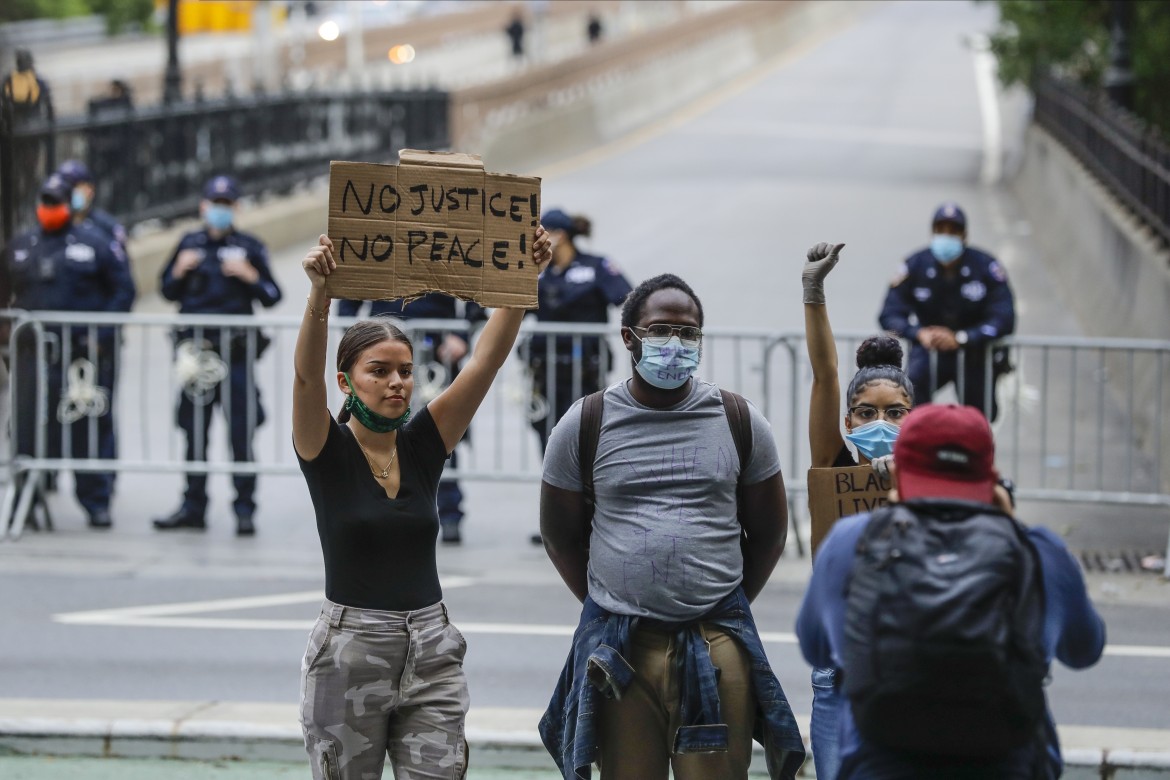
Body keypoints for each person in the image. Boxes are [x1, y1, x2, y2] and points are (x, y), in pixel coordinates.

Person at [293, 227, 551, 780]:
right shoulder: (324, 449)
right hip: (350, 651)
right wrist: (320, 296)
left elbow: (483, 364)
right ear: (347, 381)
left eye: (404, 372)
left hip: (432, 649)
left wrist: (522, 280)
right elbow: (304, 379)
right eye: (379, 371)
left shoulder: (424, 443)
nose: (396, 384)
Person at [538, 274, 805, 780]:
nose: (675, 345)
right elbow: (559, 536)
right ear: (629, 337)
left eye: (688, 333)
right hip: (620, 650)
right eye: (661, 331)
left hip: (716, 643)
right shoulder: (585, 422)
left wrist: (718, 601)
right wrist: (612, 598)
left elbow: (769, 535)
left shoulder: (739, 419)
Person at [796, 404, 1105, 779]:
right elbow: (1084, 650)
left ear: (899, 472)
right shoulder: (1039, 551)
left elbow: (815, 647)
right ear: (992, 474)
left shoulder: (851, 542)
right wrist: (1008, 525)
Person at [801, 242, 916, 779]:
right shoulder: (833, 465)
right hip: (837, 673)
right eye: (866, 413)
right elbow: (825, 374)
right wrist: (814, 293)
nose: (880, 422)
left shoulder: (931, 484)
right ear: (848, 422)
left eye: (895, 413)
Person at [5, 173, 135, 529]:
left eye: (56, 203)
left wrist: (101, 334)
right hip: (34, 354)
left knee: (86, 428)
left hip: (81, 355)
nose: (50, 209)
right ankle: (26, 497)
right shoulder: (22, 244)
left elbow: (123, 290)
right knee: (29, 426)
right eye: (45, 203)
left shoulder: (94, 242)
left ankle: (95, 500)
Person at [154, 175, 282, 536]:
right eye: (215, 204)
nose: (220, 211)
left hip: (236, 356)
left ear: (236, 209)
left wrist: (250, 276)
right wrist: (179, 270)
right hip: (196, 359)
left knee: (241, 436)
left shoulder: (249, 247)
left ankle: (245, 509)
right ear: (203, 207)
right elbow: (165, 289)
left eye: (227, 205)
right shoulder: (188, 243)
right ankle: (193, 507)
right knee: (194, 434)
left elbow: (273, 295)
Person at [337, 293, 486, 544]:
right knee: (376, 434)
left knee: (439, 435)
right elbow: (349, 302)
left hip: (437, 352)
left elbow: (474, 294)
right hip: (383, 355)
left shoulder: (441, 253)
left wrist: (460, 336)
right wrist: (360, 346)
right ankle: (378, 511)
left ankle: (448, 512)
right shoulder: (381, 254)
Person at [879, 202, 1015, 421]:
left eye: (953, 231)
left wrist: (962, 338)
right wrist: (918, 333)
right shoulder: (915, 265)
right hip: (929, 351)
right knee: (910, 403)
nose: (946, 236)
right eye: (941, 230)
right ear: (933, 233)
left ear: (964, 235)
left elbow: (1004, 317)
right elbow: (889, 314)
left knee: (981, 417)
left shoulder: (986, 267)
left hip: (973, 353)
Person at [527, 208, 632, 455]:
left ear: (559, 235)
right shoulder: (535, 272)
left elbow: (630, 300)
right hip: (545, 372)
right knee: (548, 439)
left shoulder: (596, 266)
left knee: (585, 440)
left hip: (585, 370)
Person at [2, 49, 55, 210]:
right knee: (28, 170)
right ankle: (27, 201)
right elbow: (48, 106)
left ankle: (20, 201)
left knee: (17, 170)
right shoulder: (37, 81)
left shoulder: (9, 80)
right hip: (32, 133)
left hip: (14, 133)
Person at [57, 159, 129, 250]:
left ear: (90, 190)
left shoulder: (107, 228)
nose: (70, 192)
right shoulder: (53, 228)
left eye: (75, 186)